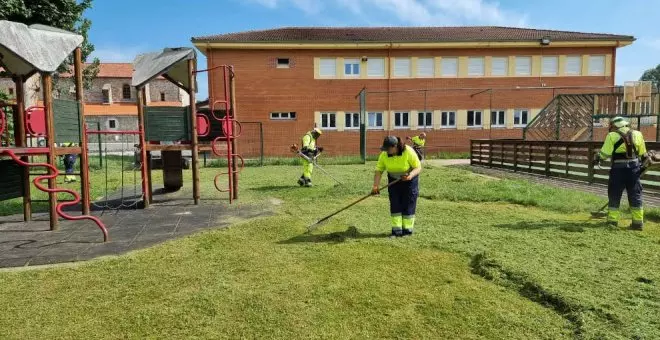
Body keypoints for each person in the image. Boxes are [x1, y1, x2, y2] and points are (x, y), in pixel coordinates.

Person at [594, 116, 647, 230]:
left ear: (614, 125)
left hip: (618, 169)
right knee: (635, 195)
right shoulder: (638, 134)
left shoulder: (612, 135)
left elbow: (605, 154)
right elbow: (643, 153)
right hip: (634, 169)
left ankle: (612, 222)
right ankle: (638, 223)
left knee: (614, 195)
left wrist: (598, 156)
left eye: (611, 126)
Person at [372, 136, 422, 237]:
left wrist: (410, 176)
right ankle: (396, 231)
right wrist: (375, 186)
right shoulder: (384, 155)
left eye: (388, 149)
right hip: (393, 182)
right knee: (395, 204)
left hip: (409, 181)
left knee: (408, 204)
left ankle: (407, 231)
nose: (386, 151)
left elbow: (418, 167)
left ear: (395, 146)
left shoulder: (408, 151)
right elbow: (379, 171)